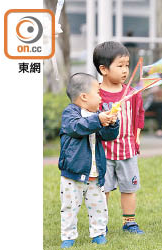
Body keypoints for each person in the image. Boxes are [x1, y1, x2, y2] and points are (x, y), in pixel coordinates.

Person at [58, 73, 120, 248]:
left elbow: (108, 136)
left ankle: (99, 233)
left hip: (95, 173)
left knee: (99, 207)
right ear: (84, 96)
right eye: (98, 92)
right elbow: (77, 128)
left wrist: (112, 123)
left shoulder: (98, 114)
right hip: (73, 174)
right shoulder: (70, 113)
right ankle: (68, 237)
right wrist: (99, 120)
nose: (101, 97)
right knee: (70, 208)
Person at [94, 41, 146, 234]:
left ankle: (129, 222)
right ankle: (101, 223)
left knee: (129, 187)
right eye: (120, 65)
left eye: (127, 65)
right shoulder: (96, 93)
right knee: (103, 190)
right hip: (103, 151)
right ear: (104, 69)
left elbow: (139, 115)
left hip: (127, 149)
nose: (125, 70)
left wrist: (137, 136)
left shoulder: (132, 93)